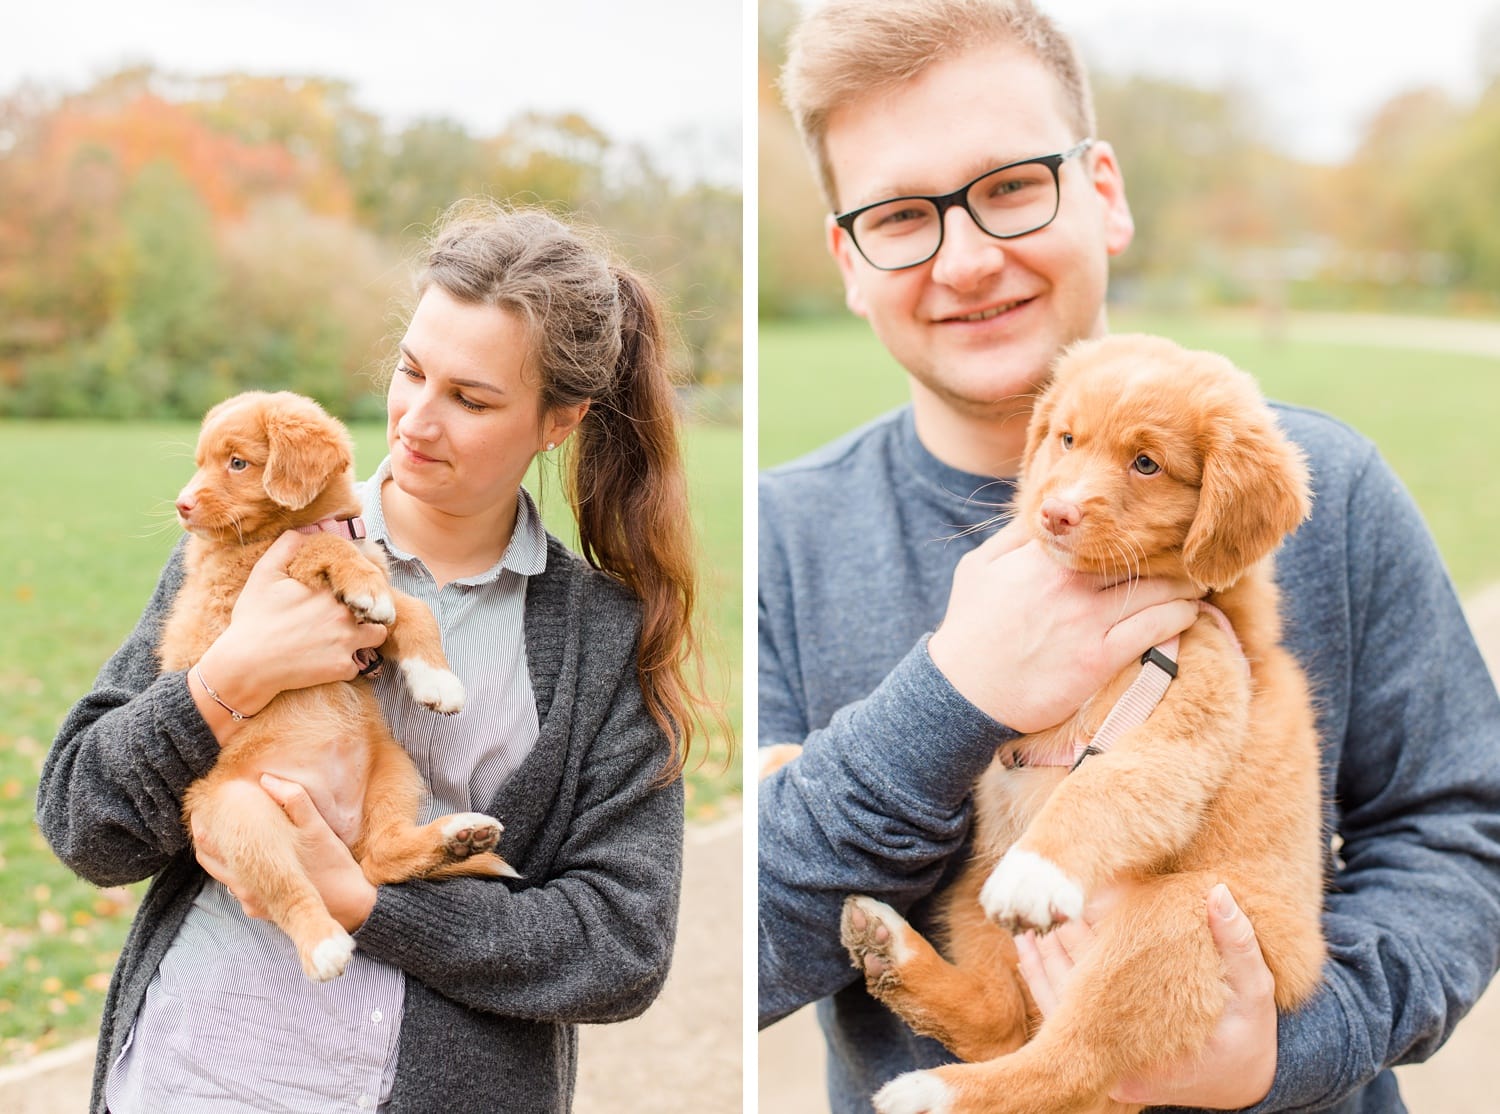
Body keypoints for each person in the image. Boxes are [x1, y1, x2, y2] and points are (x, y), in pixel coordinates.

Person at [757, 1, 1500, 1111]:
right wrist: (954, 695)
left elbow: (1463, 828)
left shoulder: (1330, 487)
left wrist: (1281, 1052)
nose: (967, 258)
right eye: (902, 215)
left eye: (1011, 186)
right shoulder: (783, 536)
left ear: (1102, 190)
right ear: (849, 260)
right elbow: (745, 940)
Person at [38, 201, 721, 1114]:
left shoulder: (602, 637)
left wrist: (364, 903)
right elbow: (87, 828)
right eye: (410, 372)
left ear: (560, 422)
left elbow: (618, 950)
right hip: (186, 1081)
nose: (414, 423)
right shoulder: (251, 540)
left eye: (470, 399)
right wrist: (229, 681)